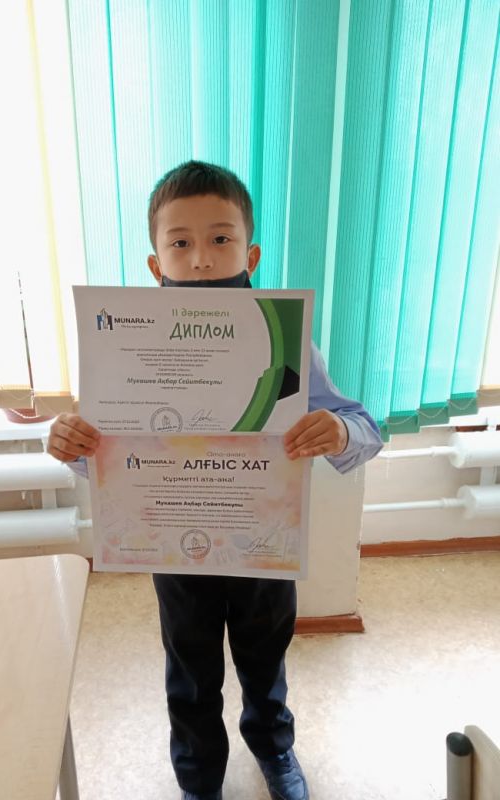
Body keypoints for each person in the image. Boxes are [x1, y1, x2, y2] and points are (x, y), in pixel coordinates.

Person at [48, 161, 383, 800]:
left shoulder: (287, 342)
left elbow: (363, 426)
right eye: (180, 242)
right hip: (175, 545)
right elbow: (107, 451)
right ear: (156, 264)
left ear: (249, 253)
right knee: (191, 671)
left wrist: (337, 431)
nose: (201, 257)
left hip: (263, 542)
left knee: (264, 659)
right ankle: (199, 779)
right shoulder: (128, 347)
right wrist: (72, 444)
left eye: (220, 238)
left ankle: (274, 749)